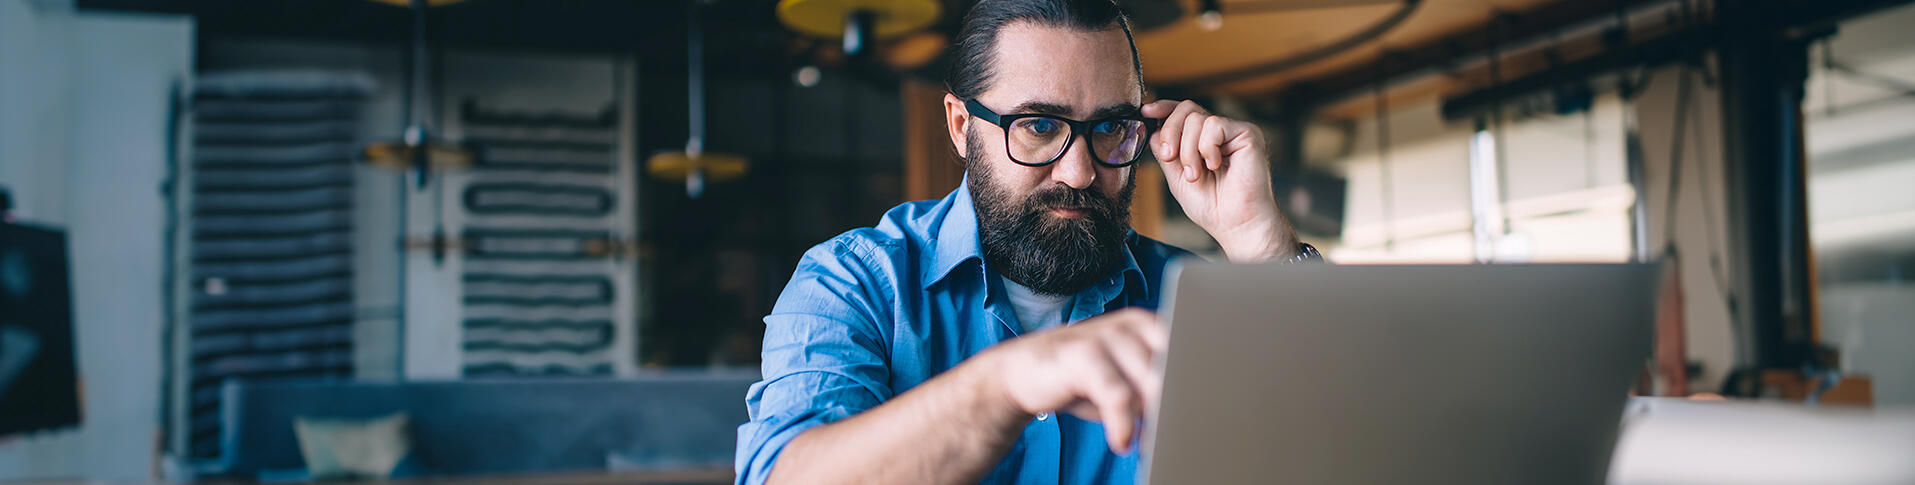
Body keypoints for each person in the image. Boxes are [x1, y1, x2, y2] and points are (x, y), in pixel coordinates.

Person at [736, 1, 1317, 483]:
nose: (1080, 173)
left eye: (1111, 127)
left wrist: (1259, 241)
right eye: (1040, 127)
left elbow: (1360, 443)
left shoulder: (1193, 297)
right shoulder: (856, 282)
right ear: (962, 127)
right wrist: (1007, 382)